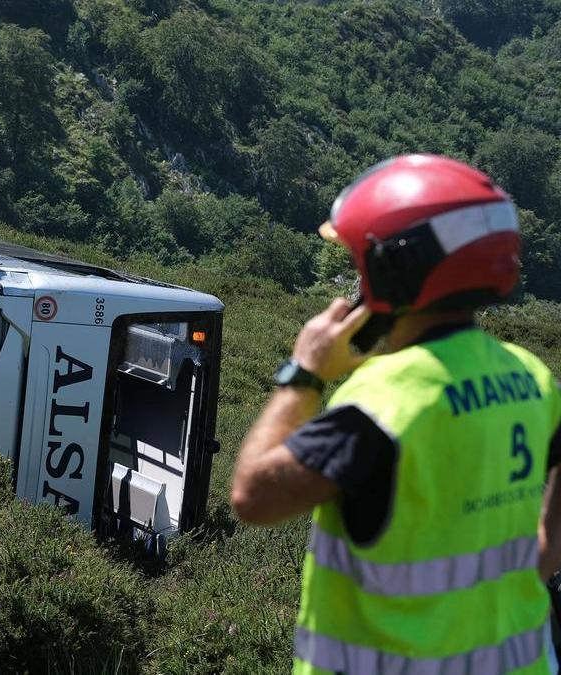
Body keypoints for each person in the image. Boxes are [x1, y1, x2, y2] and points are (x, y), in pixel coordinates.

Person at [230, 154, 561, 674]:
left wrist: (306, 374)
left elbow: (251, 497)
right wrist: (539, 561)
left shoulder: (384, 402)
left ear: (394, 271)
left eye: (360, 264)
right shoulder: (533, 377)